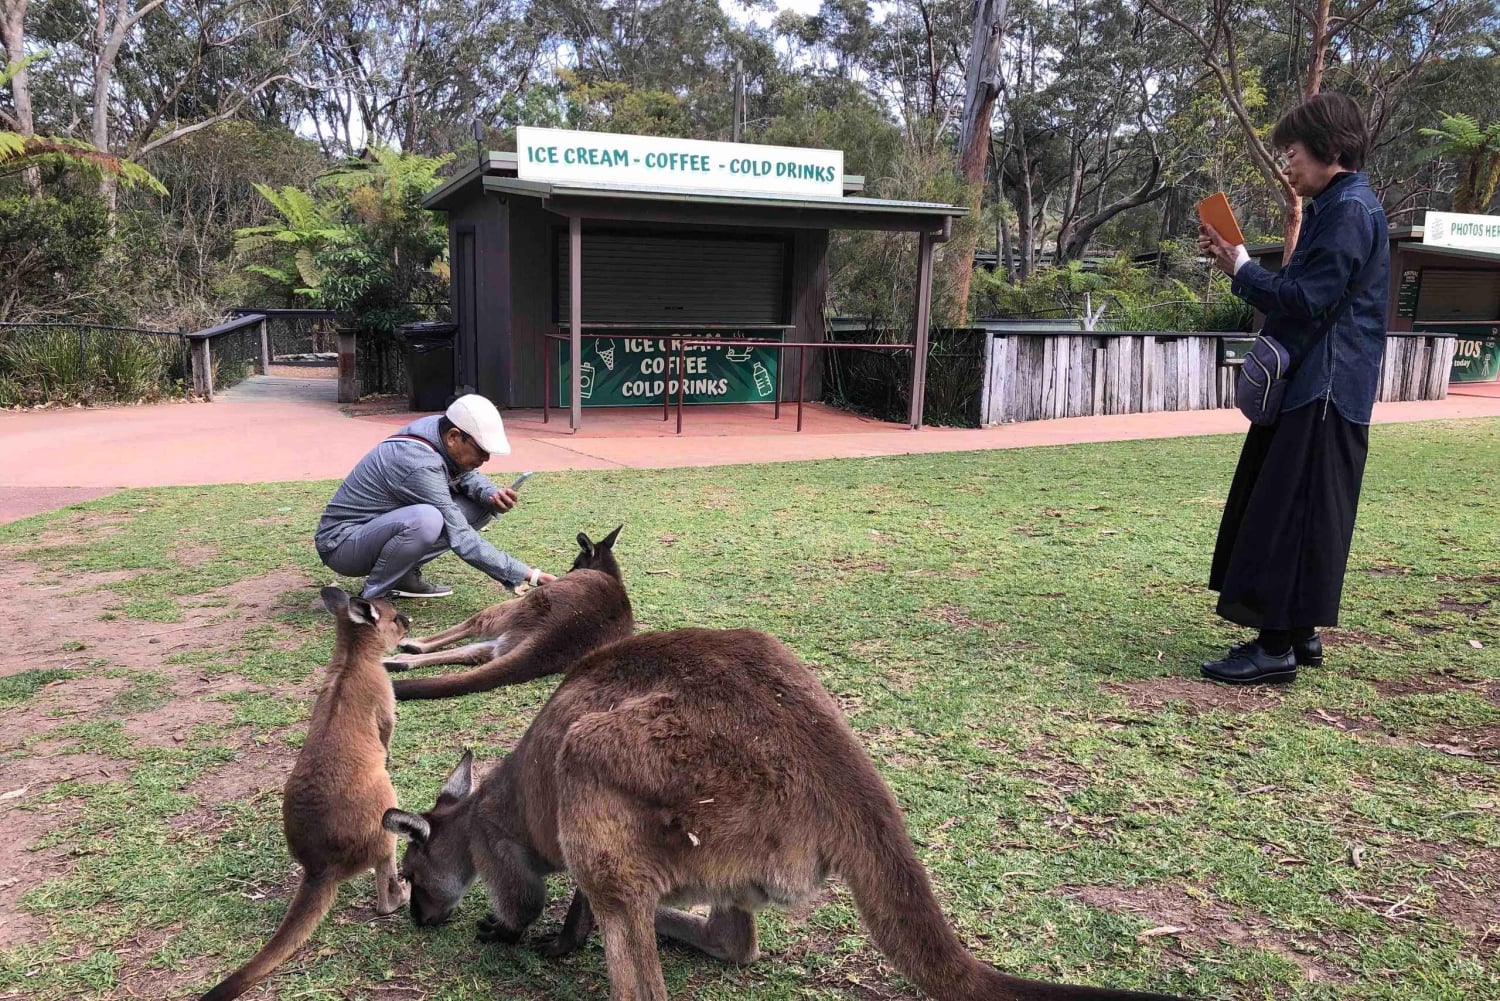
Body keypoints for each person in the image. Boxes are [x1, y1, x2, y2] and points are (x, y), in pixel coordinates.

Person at [1196, 92, 1389, 685]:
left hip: (1323, 387)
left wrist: (1243, 269)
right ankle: (1299, 632)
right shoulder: (1339, 206)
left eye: (1294, 152)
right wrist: (1242, 266)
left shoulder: (1349, 210)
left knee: (1290, 510)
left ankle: (1275, 646)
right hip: (1322, 384)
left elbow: (1308, 300)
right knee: (1304, 507)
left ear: (1330, 149)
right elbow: (1309, 290)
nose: (1288, 164)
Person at [315, 394, 556, 599]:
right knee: (426, 519)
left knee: (482, 505)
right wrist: (531, 575)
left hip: (377, 529)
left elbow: (464, 473)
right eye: (481, 450)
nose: (486, 459)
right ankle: (371, 599)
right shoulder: (419, 463)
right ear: (453, 437)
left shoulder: (437, 428)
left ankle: (402, 577)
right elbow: (462, 536)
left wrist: (490, 494)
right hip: (342, 545)